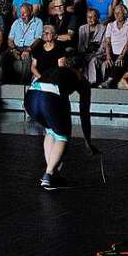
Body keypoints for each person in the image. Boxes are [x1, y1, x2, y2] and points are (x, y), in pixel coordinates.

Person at [25, 59, 99, 190]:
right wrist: (87, 141)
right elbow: (84, 114)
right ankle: (48, 175)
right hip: (48, 99)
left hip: (30, 97)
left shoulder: (56, 71)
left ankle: (53, 172)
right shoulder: (82, 81)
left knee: (51, 130)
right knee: (63, 137)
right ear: (82, 69)